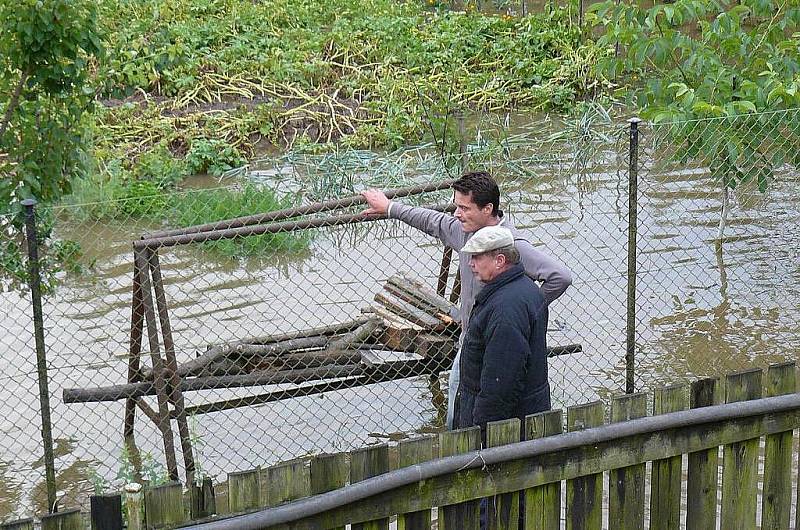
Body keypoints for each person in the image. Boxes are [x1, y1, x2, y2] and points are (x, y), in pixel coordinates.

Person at [361, 171, 571, 428]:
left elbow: (559, 277)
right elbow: (431, 221)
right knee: (458, 408)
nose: (456, 213)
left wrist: (527, 311)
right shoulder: (463, 231)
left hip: (500, 343)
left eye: (464, 207)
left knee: (495, 408)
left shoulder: (511, 245)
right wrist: (390, 207)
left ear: (488, 209)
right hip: (470, 340)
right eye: (455, 206)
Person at [452, 225, 550, 431]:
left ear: (500, 260)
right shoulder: (527, 289)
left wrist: (481, 430)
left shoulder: (506, 309)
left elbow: (501, 380)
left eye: (477, 257)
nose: (471, 264)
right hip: (530, 415)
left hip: (504, 427)